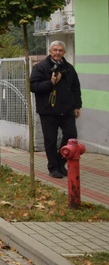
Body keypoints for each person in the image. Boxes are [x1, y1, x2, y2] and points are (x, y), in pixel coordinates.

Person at [30, 40, 82, 179]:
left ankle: (60, 162)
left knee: (71, 136)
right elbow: (33, 87)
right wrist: (51, 83)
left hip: (67, 110)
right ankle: (53, 167)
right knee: (51, 140)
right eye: (55, 50)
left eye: (60, 50)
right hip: (48, 111)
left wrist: (77, 106)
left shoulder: (69, 68)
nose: (57, 52)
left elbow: (76, 88)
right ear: (50, 51)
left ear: (64, 52)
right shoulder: (41, 67)